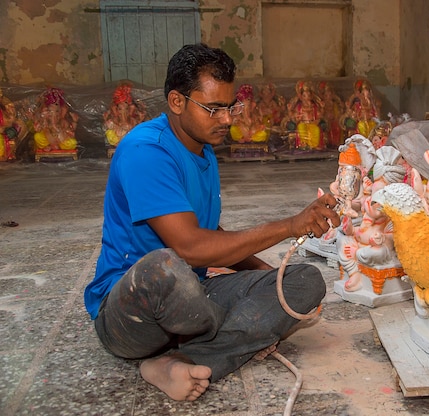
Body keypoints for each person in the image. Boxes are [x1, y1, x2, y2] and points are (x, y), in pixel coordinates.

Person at [84, 43, 340, 402]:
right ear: (176, 102)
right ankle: (235, 334)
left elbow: (208, 233)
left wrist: (270, 279)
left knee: (303, 281)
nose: (228, 119)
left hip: (192, 292)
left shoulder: (201, 148)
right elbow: (191, 247)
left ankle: (178, 361)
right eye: (214, 109)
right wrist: (289, 225)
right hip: (132, 310)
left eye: (230, 106)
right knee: (165, 266)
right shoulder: (146, 151)